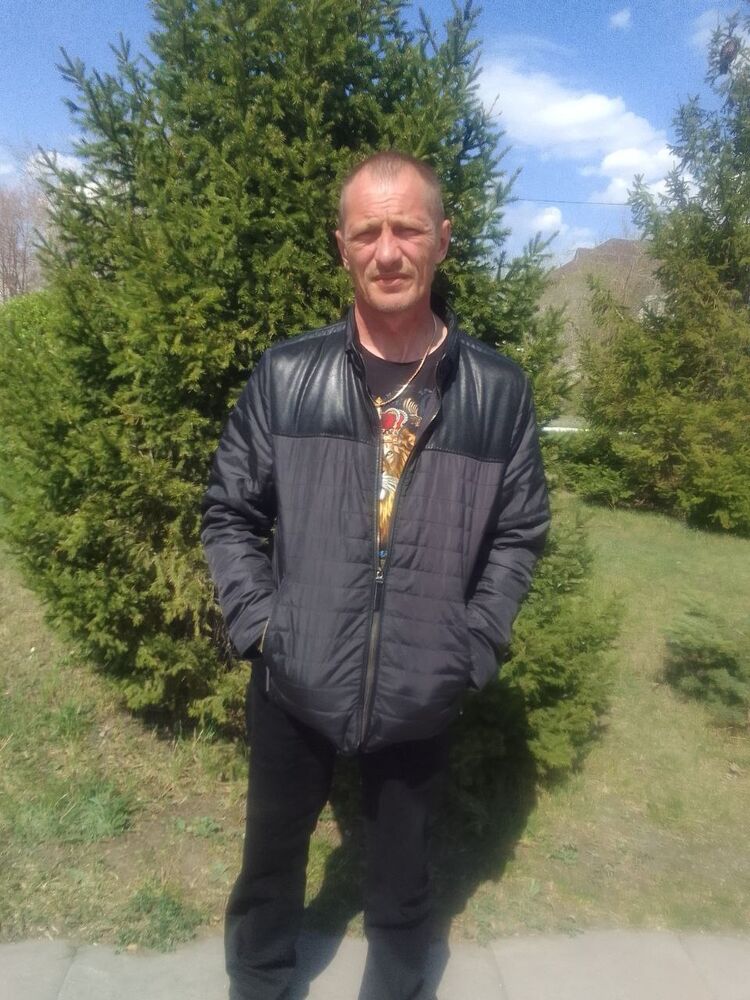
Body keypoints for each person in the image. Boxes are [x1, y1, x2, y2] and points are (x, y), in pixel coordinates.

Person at [201, 150, 550, 1000]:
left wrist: (470, 644)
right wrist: (266, 628)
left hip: (422, 682)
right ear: (343, 247)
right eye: (367, 233)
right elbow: (229, 512)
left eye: (407, 229)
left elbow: (519, 533)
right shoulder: (288, 375)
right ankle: (258, 985)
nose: (387, 251)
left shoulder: (497, 391)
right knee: (268, 868)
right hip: (295, 674)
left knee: (403, 884)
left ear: (442, 240)